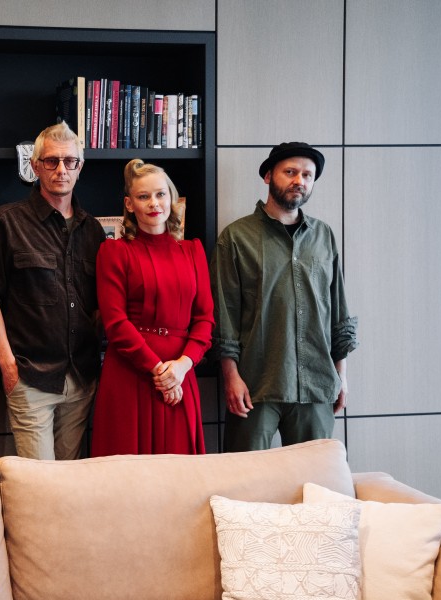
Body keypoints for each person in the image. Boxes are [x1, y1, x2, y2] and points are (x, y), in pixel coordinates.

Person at [210, 141, 358, 451]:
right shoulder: (235, 238)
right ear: (268, 176)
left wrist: (341, 374)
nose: (299, 181)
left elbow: (338, 308)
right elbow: (225, 313)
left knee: (315, 476)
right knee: (246, 475)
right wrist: (231, 376)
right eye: (290, 172)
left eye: (307, 175)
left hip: (316, 383)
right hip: (255, 384)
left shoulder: (324, 236)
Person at [0, 121, 106, 460]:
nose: (61, 170)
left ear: (80, 167)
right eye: (51, 161)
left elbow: (99, 303)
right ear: (35, 166)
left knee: (69, 478)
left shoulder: (93, 230)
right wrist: (7, 364)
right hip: (30, 375)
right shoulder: (7, 222)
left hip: (81, 377)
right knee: (37, 481)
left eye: (70, 161)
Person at [91, 160, 214, 456]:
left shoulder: (193, 250)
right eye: (143, 196)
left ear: (172, 198)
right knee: (127, 472)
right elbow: (115, 323)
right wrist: (161, 373)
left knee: (179, 472)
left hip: (181, 373)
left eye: (160, 194)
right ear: (129, 204)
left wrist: (181, 367)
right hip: (130, 374)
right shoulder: (114, 251)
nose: (154, 203)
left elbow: (205, 319)